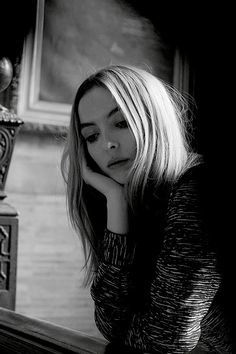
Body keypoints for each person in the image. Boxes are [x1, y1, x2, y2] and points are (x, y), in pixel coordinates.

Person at [61, 65, 233, 353]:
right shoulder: (137, 205)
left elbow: (163, 342)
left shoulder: (197, 188)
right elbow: (112, 326)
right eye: (91, 136)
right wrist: (116, 204)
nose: (108, 144)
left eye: (121, 123)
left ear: (154, 120)